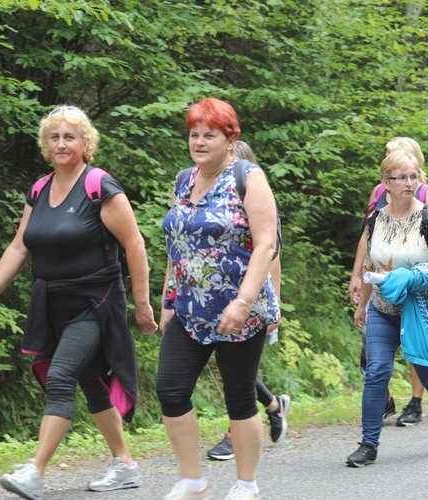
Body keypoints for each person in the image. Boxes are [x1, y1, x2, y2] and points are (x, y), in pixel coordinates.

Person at [0, 105, 158, 499]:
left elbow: (134, 244)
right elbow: (20, 246)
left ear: (85, 142)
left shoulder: (100, 186)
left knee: (60, 377)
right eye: (54, 137)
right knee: (91, 383)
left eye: (69, 137)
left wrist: (142, 305)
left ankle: (34, 472)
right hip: (52, 306)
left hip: (95, 303)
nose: (61, 144)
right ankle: (125, 464)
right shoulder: (39, 190)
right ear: (45, 144)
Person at [157, 98, 280, 500]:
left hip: (239, 310)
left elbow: (265, 246)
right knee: (171, 390)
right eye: (194, 134)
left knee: (240, 396)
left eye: (209, 135)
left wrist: (243, 302)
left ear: (230, 139)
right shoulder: (182, 180)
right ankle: (192, 481)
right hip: (190, 309)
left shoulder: (248, 176)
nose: (199, 141)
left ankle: (246, 484)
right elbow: (177, 246)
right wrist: (167, 300)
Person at [347, 150, 428, 468]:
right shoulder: (375, 221)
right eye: (402, 177)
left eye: (414, 176)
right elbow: (371, 265)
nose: (410, 183)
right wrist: (364, 306)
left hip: (419, 309)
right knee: (376, 373)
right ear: (386, 182)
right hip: (383, 310)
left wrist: (411, 277)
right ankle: (368, 445)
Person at [348, 137, 428, 427]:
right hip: (380, 283)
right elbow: (368, 234)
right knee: (373, 347)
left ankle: (416, 402)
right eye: (387, 158)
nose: (388, 160)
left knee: (415, 345)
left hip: (414, 284)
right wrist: (356, 274)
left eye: (395, 155)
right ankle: (383, 401)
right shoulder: (379, 191)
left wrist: (415, 276)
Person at [206, 140, 290, 462]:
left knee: (235, 373)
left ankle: (235, 433)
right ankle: (274, 405)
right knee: (229, 367)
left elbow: (273, 258)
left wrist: (276, 303)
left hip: (249, 301)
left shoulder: (256, 200)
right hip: (212, 298)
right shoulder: (208, 199)